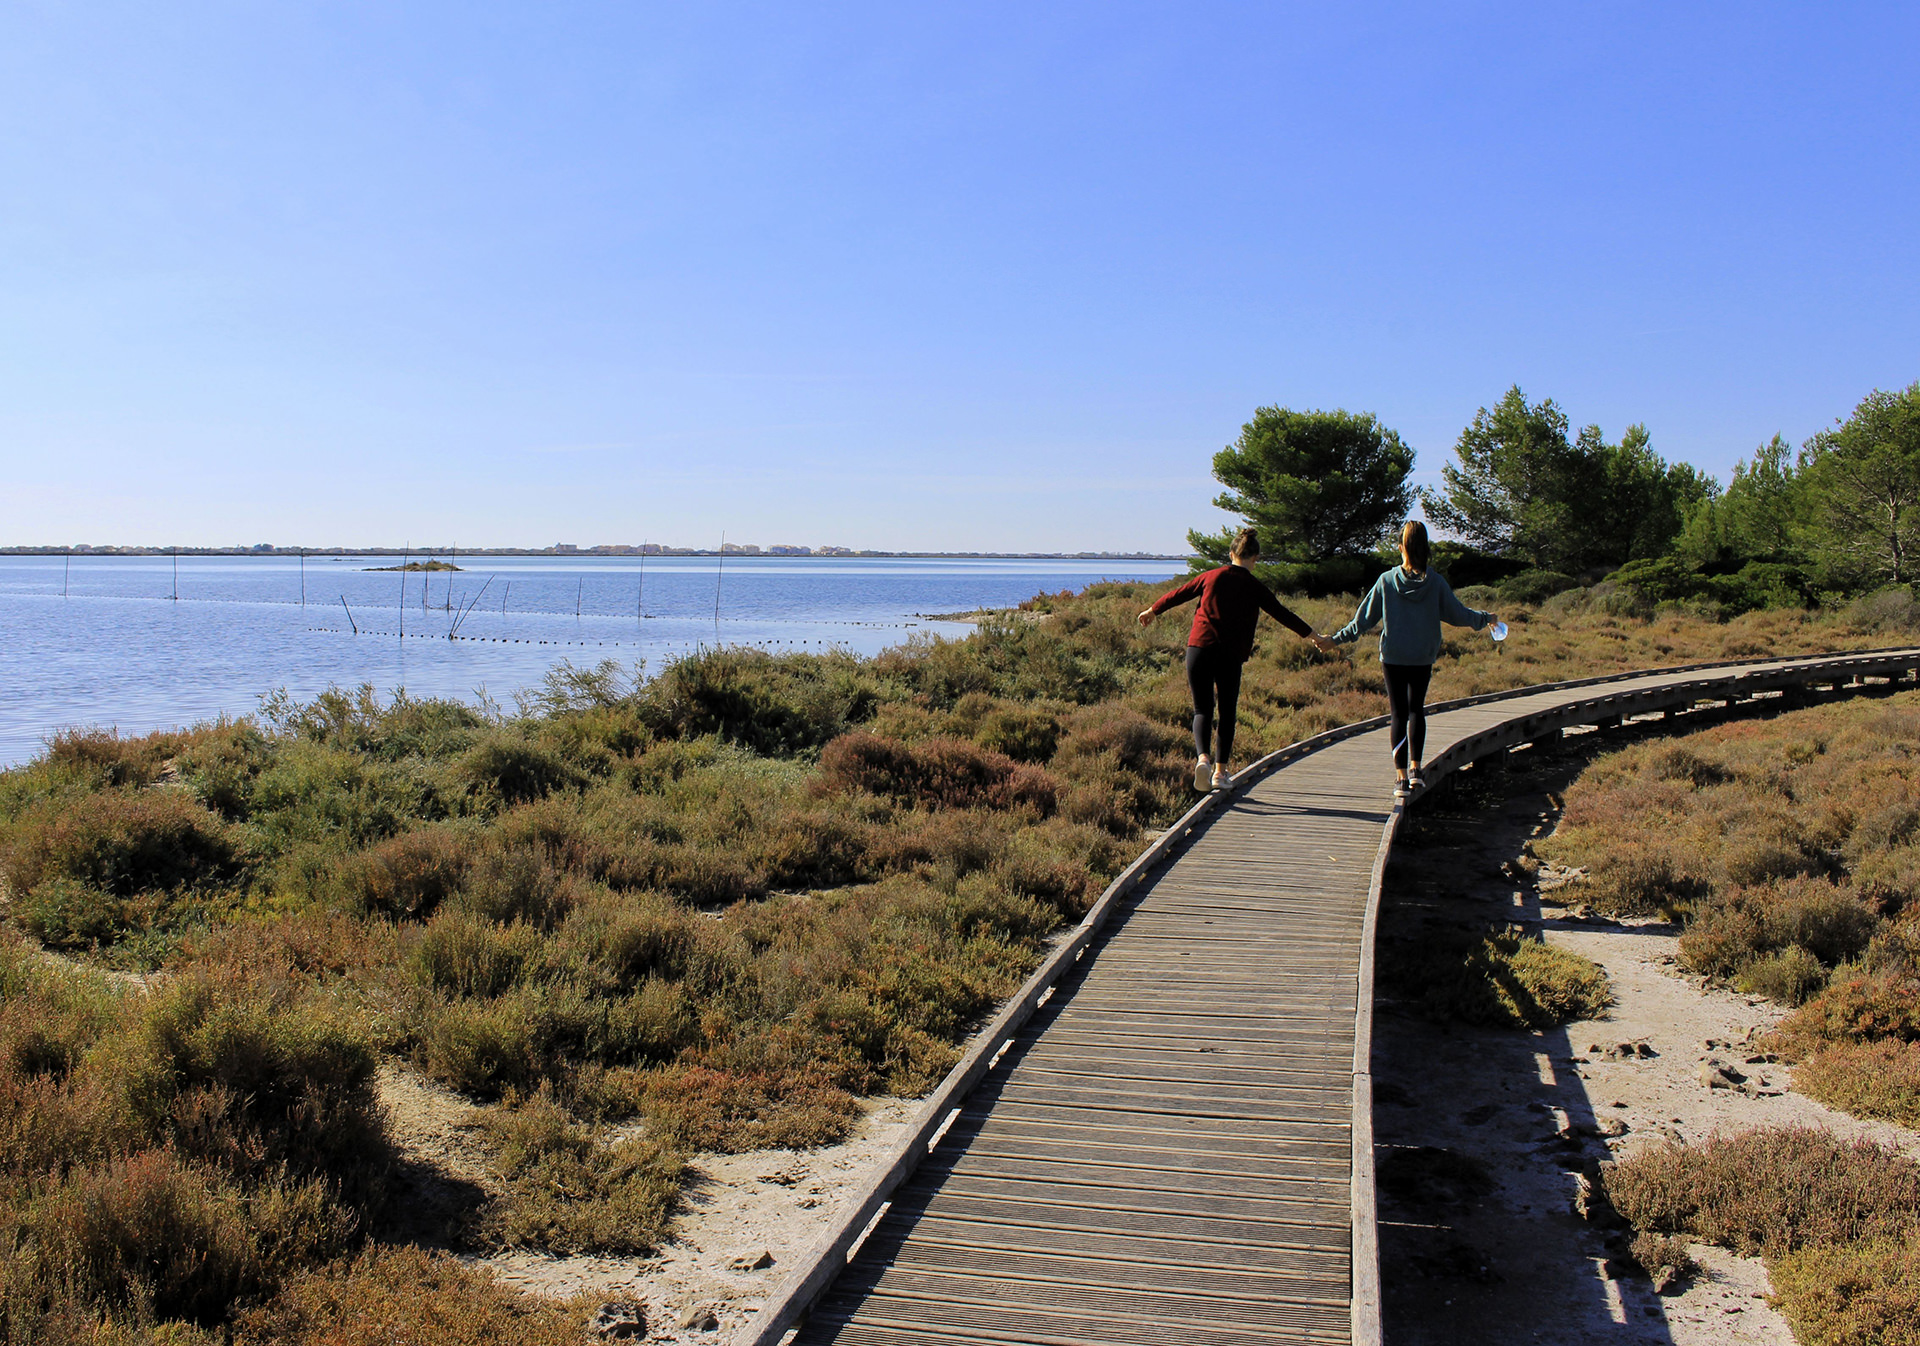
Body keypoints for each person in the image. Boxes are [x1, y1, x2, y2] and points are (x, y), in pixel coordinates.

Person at [1138, 528, 1326, 791]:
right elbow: (1283, 614)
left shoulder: (1210, 576)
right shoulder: (1255, 586)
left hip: (1199, 649)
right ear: (1255, 558)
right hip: (1229, 654)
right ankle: (1220, 773)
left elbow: (1179, 593)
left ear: (1231, 554)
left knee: (1202, 709)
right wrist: (1314, 635)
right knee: (1227, 712)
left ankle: (1202, 758)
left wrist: (1152, 610)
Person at [1326, 520, 1497, 805]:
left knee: (1398, 714)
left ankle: (1401, 777)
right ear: (1425, 549)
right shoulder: (1436, 583)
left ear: (1402, 548)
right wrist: (1485, 618)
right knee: (1416, 709)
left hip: (1393, 656)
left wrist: (1334, 640)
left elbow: (1362, 621)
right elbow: (1458, 614)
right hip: (1422, 656)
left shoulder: (1386, 581)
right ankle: (1417, 768)